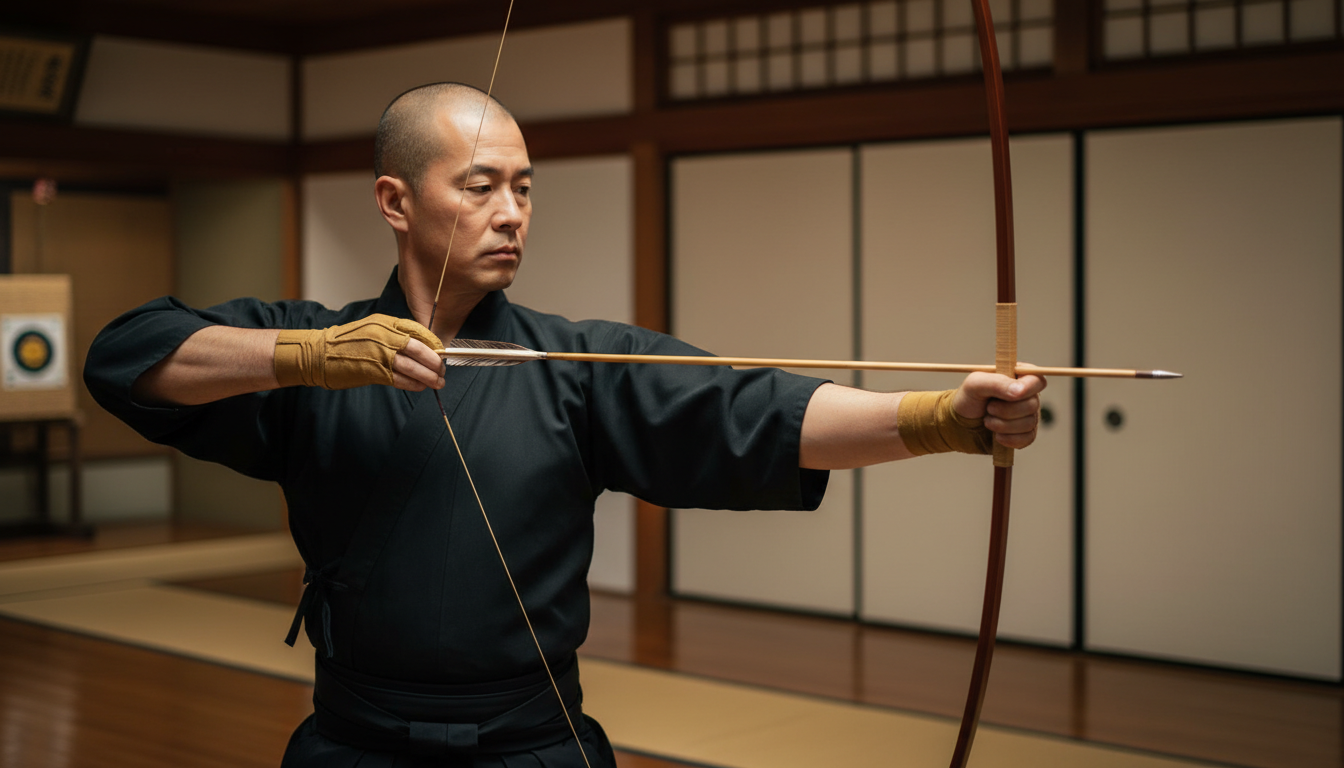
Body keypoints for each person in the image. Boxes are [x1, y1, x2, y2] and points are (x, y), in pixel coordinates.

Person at [84, 82, 1044, 768]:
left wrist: (942, 418)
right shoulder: (310, 349)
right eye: (480, 186)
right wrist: (305, 360)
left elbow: (744, 410)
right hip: (354, 740)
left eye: (526, 187)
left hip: (531, 741)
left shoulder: (572, 364)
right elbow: (128, 354)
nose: (513, 214)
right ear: (395, 201)